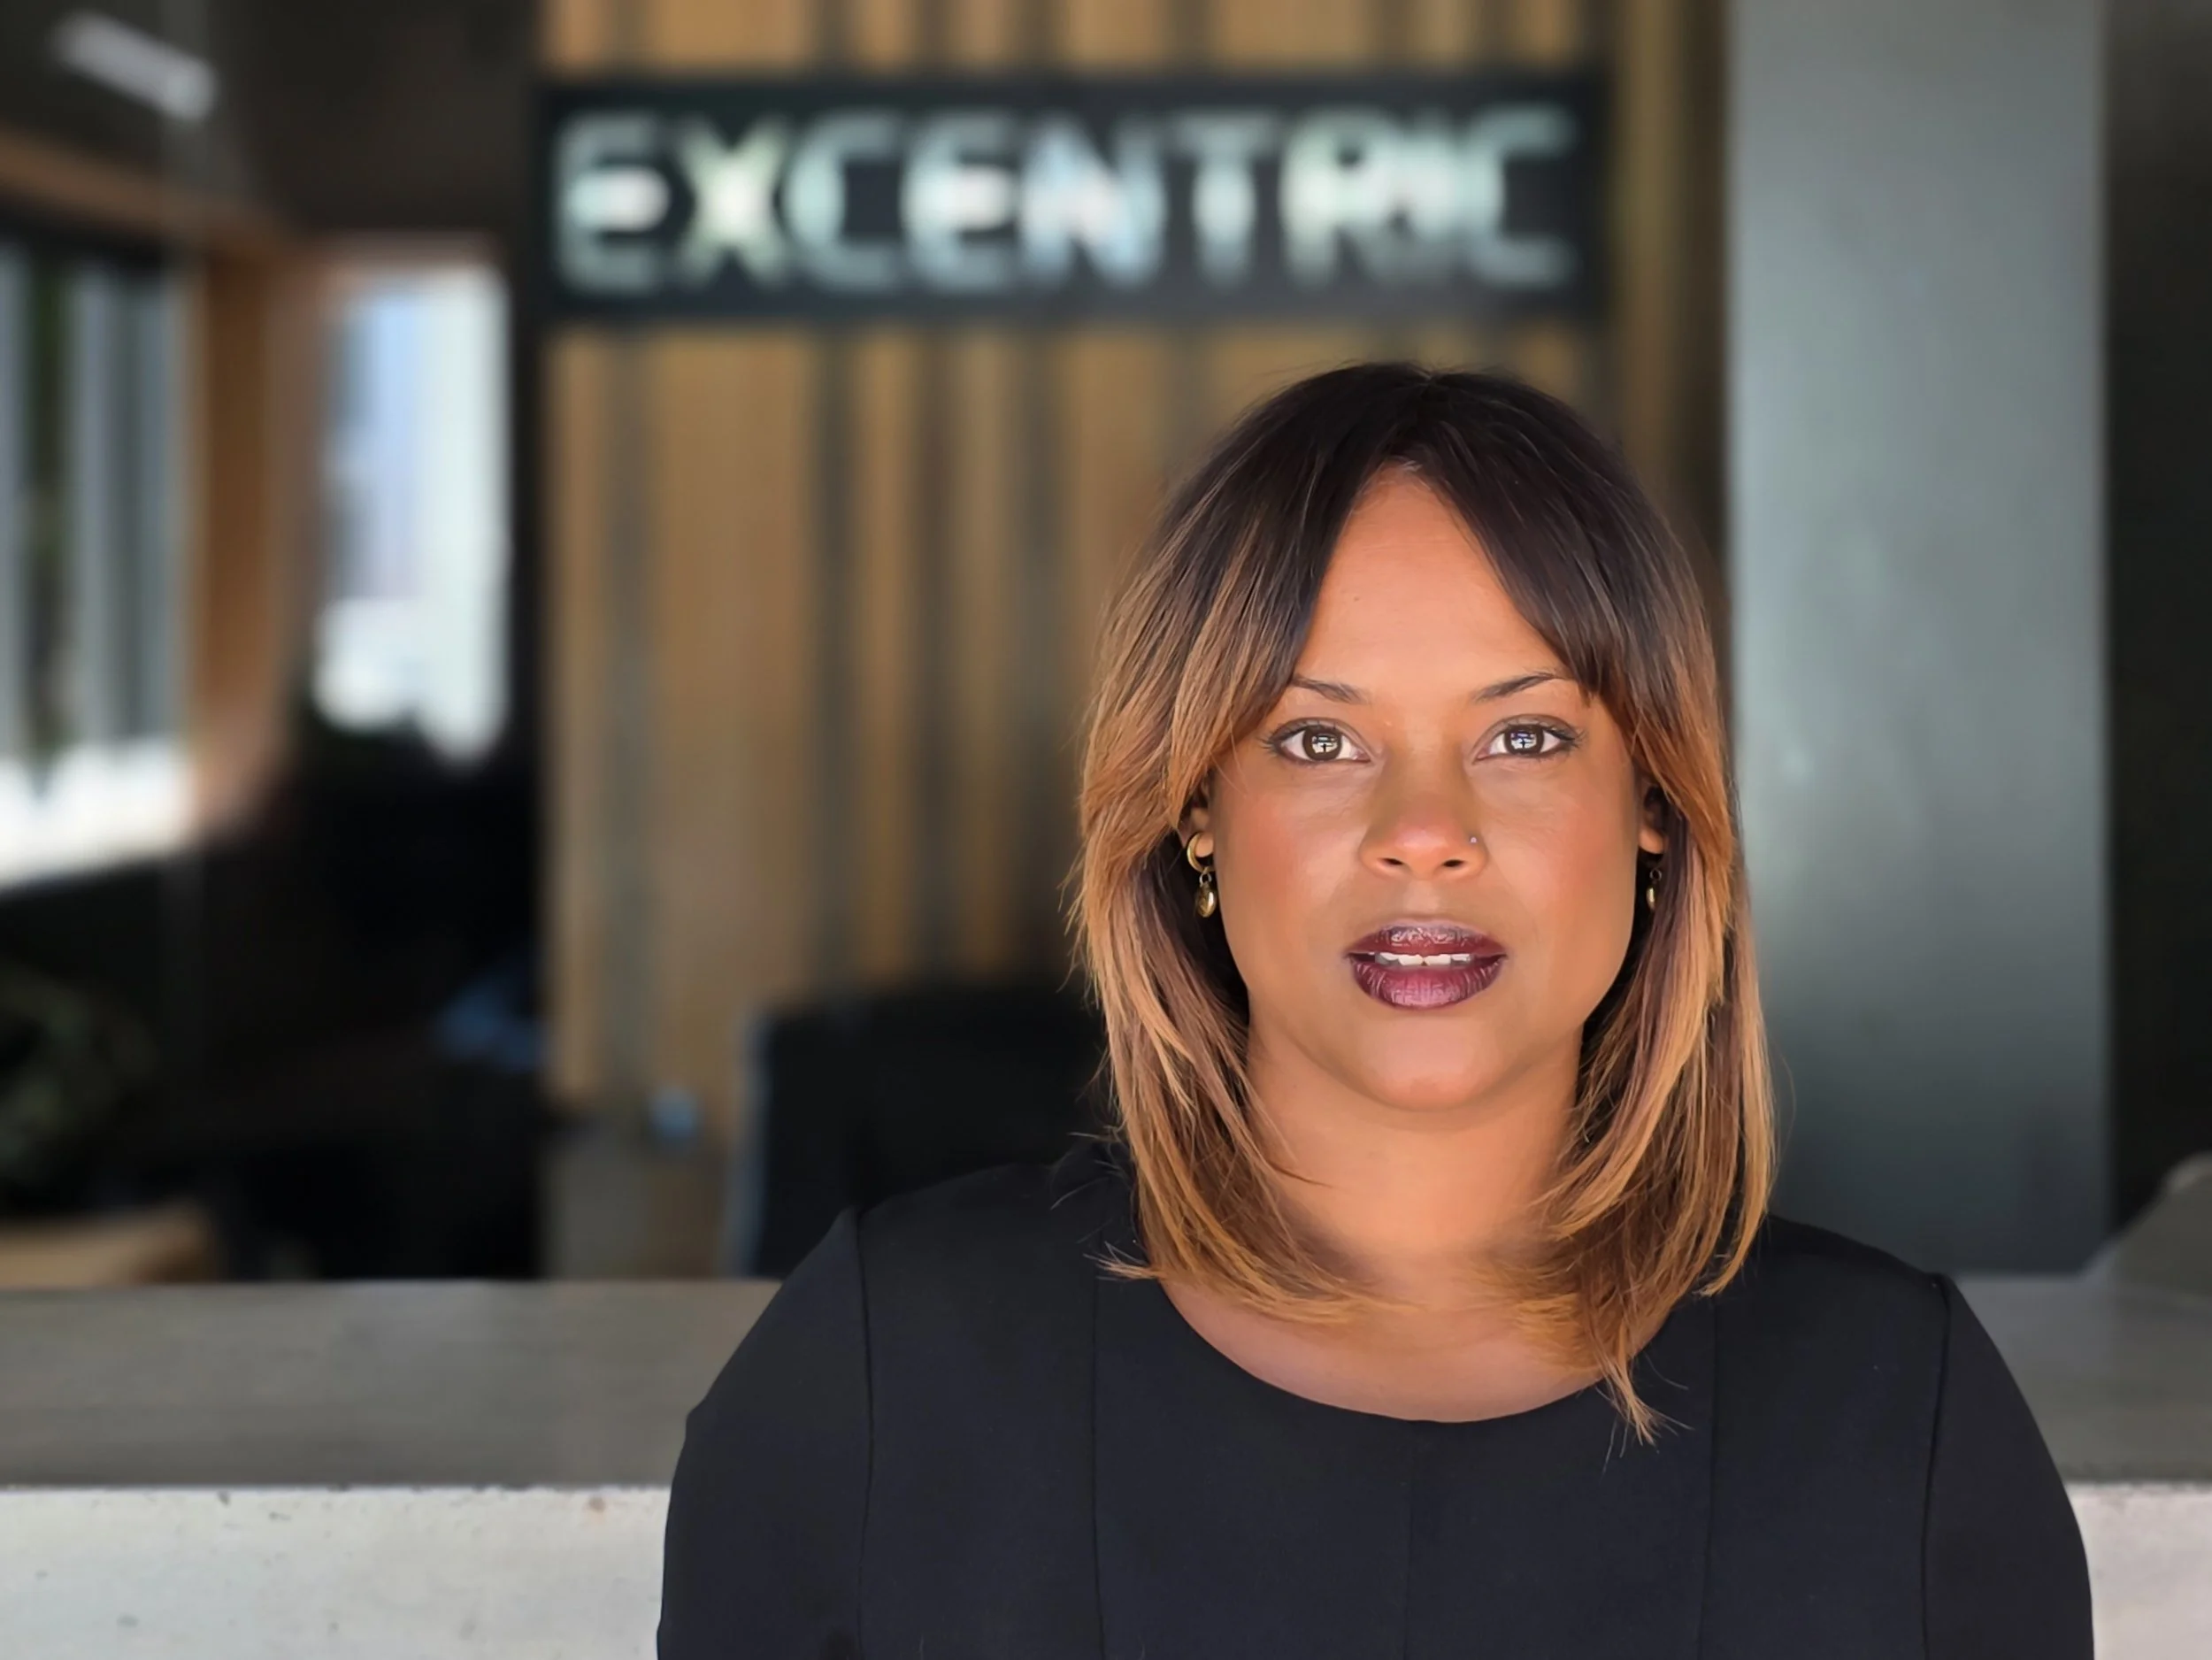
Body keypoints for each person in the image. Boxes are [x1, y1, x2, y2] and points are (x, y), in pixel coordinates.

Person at [657, 364, 2093, 1658]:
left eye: (1524, 736)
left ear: (1653, 804)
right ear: (1195, 811)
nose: (1425, 830)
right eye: (1319, 738)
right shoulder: (879, 1380)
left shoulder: (1903, 1417)